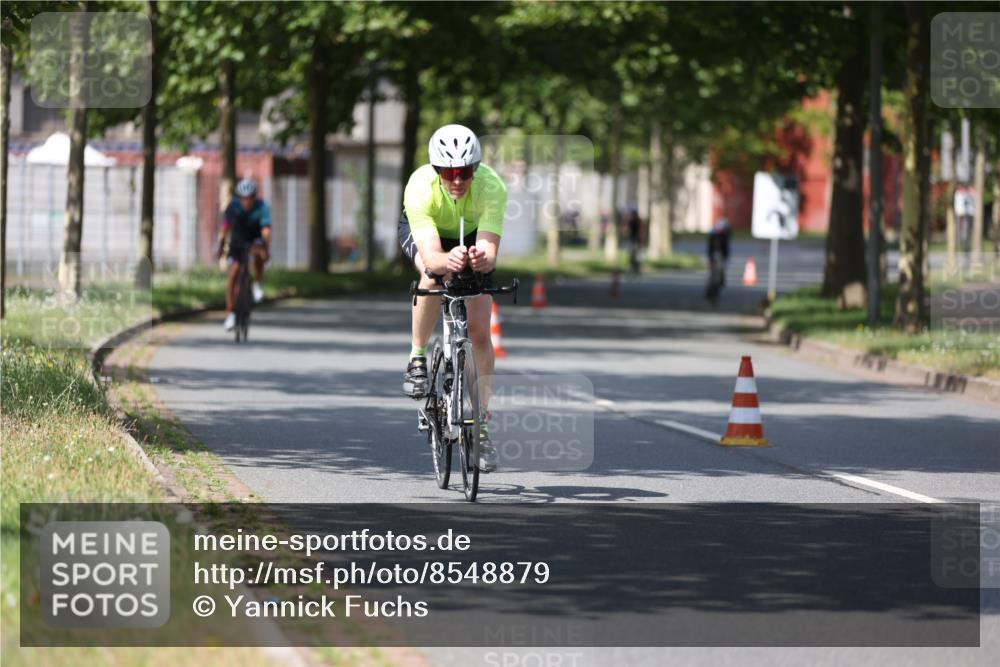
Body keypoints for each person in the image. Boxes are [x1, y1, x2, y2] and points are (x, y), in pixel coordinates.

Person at [398, 124, 507, 472]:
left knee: (478, 332)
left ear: (476, 169)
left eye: (464, 172)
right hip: (428, 236)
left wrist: (478, 260)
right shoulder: (420, 188)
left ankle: (481, 427)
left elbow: (490, 252)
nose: (456, 180)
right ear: (436, 170)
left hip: (472, 233)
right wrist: (449, 261)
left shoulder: (492, 187)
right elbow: (432, 258)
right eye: (448, 173)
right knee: (431, 275)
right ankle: (417, 357)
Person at [216, 178, 272, 331]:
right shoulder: (232, 207)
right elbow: (224, 228)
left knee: (259, 254)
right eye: (243, 199)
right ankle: (231, 314)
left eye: (250, 198)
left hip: (255, 238)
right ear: (238, 198)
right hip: (237, 240)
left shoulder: (262, 207)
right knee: (233, 274)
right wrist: (220, 247)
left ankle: (258, 284)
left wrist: (266, 247)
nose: (246, 202)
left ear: (254, 197)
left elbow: (266, 230)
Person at [705, 217, 731, 303]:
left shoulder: (725, 236)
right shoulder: (713, 235)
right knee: (713, 273)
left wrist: (725, 258)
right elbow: (710, 249)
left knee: (720, 271)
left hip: (721, 256)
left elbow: (726, 249)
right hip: (714, 256)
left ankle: (719, 284)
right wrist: (711, 258)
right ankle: (710, 290)